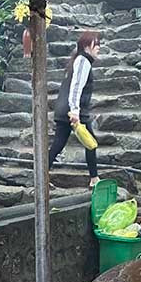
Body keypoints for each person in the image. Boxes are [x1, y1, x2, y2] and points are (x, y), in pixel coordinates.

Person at [49, 30, 101, 188]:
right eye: (96, 43)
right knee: (90, 143)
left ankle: (41, 175)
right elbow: (76, 87)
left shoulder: (78, 61)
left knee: (59, 144)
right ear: (86, 46)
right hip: (74, 112)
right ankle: (94, 179)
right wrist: (75, 111)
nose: (98, 47)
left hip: (66, 111)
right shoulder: (83, 61)